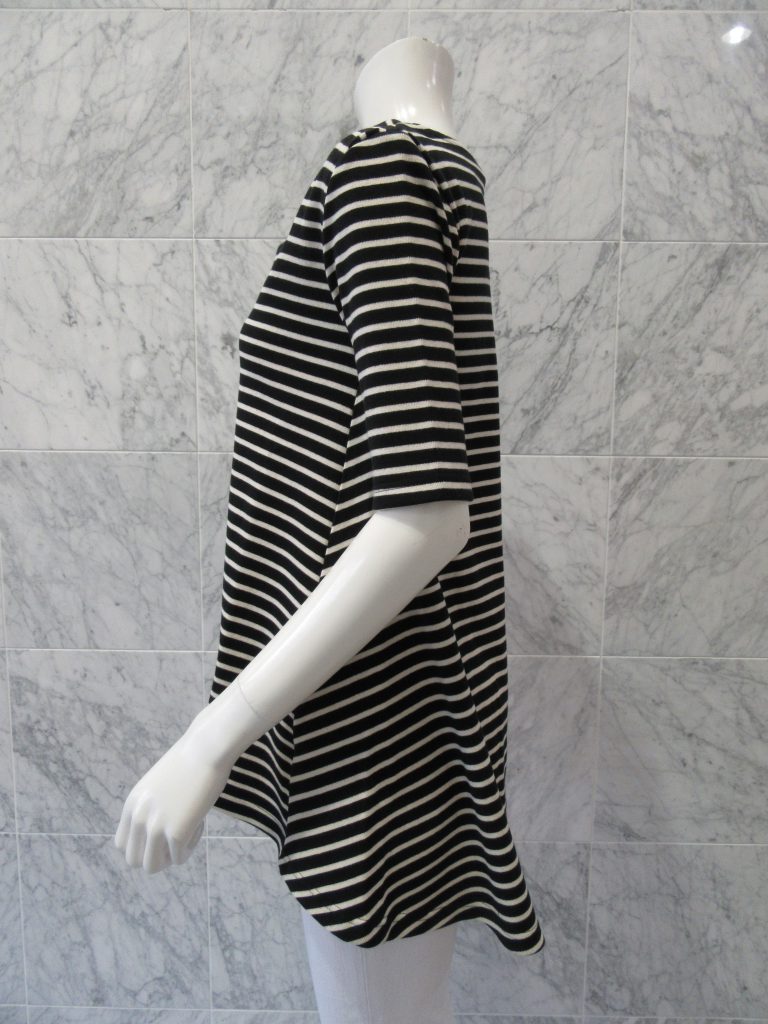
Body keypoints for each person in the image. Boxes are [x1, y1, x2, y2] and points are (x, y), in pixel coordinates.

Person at [116, 34, 544, 1024]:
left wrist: (210, 740)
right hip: (389, 691)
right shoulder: (438, 172)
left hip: (370, 713)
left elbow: (426, 516)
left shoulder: (386, 170)